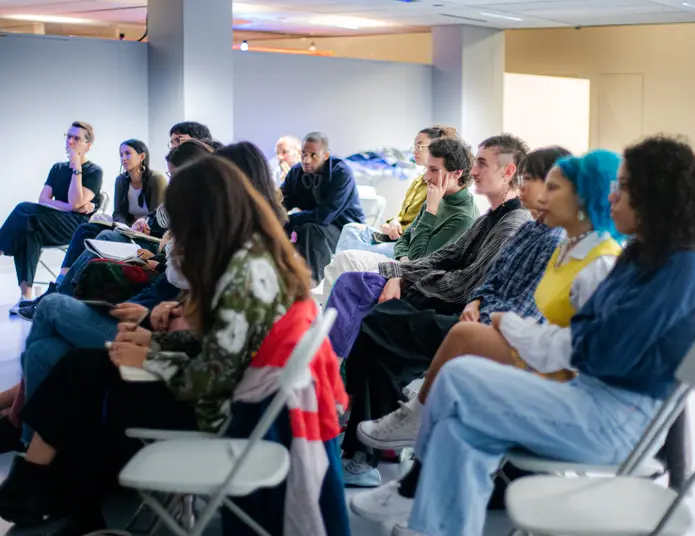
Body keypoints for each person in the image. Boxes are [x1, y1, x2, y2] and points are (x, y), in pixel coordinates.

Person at [350, 135, 695, 536]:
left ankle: (418, 496)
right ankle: (431, 521)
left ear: (655, 194)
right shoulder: (642, 257)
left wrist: (518, 329)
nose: (614, 197)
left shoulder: (677, 268)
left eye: (626, 186)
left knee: (459, 378)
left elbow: (601, 352)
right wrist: (546, 334)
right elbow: (590, 339)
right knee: (459, 427)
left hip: (616, 419)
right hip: (594, 396)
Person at [0, 155, 315, 536]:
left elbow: (212, 376)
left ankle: (42, 492)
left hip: (220, 412)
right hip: (228, 397)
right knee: (83, 367)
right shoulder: (254, 259)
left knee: (90, 384)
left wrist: (151, 354)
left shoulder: (246, 274)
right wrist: (156, 343)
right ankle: (49, 495)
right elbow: (222, 348)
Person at [0, 140, 290, 453]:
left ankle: (28, 446)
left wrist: (152, 351)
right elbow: (210, 336)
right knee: (47, 350)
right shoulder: (240, 252)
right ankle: (29, 452)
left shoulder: (246, 263)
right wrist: (164, 321)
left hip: (205, 407)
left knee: (57, 320)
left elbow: (219, 371)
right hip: (180, 358)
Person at [356, 148, 623, 451]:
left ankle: (409, 421)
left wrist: (502, 323)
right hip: (513, 333)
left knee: (442, 340)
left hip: (549, 366)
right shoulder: (549, 237)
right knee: (387, 323)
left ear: (583, 197)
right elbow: (492, 278)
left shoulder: (587, 256)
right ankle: (392, 436)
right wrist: (475, 302)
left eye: (550, 186)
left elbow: (575, 347)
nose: (537, 194)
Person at [334, 134, 532, 486]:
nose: (474, 170)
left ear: (509, 171)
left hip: (459, 317)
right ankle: (365, 448)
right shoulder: (492, 217)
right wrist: (396, 272)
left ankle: (364, 446)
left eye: (482, 163)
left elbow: (467, 281)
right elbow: (445, 257)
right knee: (373, 328)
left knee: (375, 326)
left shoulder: (512, 223)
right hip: (444, 302)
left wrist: (408, 279)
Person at [322, 137, 479, 304]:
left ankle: (328, 321)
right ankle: (325, 319)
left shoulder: (462, 216)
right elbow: (404, 240)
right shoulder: (438, 196)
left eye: (433, 170)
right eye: (427, 169)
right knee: (343, 259)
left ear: (457, 173)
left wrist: (430, 211)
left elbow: (420, 260)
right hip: (403, 266)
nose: (426, 177)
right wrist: (403, 263)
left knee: (346, 261)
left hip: (418, 278)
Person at [0, 122, 103, 313]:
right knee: (29, 232)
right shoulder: (57, 168)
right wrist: (71, 207)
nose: (70, 141)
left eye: (76, 138)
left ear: (88, 145)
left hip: (76, 227)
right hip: (52, 222)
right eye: (68, 136)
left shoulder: (94, 171)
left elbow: (75, 200)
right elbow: (44, 199)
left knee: (24, 209)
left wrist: (77, 168)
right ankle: (25, 297)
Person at [55, 139, 168, 289]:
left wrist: (142, 223)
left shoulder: (156, 178)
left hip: (147, 232)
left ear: (142, 156)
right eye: (121, 154)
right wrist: (124, 226)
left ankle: (66, 288)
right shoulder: (121, 180)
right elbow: (118, 212)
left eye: (128, 153)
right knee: (85, 228)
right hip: (128, 228)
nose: (123, 158)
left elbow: (157, 215)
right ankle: (62, 277)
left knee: (106, 235)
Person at [335, 126, 457, 257]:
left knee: (352, 252)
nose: (415, 151)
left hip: (408, 243)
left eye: (420, 146)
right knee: (350, 229)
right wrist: (393, 222)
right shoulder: (418, 181)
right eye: (414, 146)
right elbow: (402, 215)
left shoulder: (440, 186)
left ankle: (344, 266)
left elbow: (425, 226)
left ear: (437, 148)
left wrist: (398, 231)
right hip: (397, 235)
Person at [281, 131, 365, 282]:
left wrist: (289, 219)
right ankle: (287, 281)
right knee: (278, 226)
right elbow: (282, 201)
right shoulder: (296, 173)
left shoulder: (341, 173)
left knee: (310, 230)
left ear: (325, 156)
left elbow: (324, 216)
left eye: (313, 155)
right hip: (315, 226)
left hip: (346, 229)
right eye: (303, 154)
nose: (306, 160)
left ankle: (314, 284)